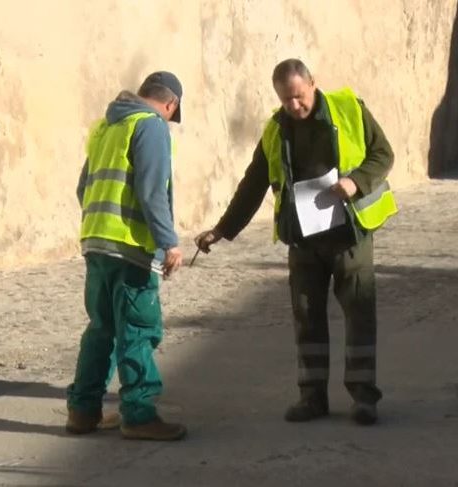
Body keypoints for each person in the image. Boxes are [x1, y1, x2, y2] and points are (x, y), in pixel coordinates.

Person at [195, 59, 397, 425]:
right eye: (286, 99)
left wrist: (356, 182)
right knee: (307, 316)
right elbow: (254, 182)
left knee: (359, 315)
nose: (294, 106)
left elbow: (383, 154)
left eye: (299, 97)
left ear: (313, 85)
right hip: (303, 238)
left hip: (348, 233)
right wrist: (222, 229)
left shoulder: (349, 109)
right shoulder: (275, 129)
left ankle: (364, 398)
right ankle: (312, 397)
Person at [66, 71, 187, 441]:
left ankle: (82, 411)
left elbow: (82, 187)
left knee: (101, 328)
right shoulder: (151, 126)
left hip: (96, 241)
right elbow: (151, 191)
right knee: (137, 329)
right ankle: (137, 413)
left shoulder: (107, 126)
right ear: (171, 104)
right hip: (130, 247)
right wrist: (169, 242)